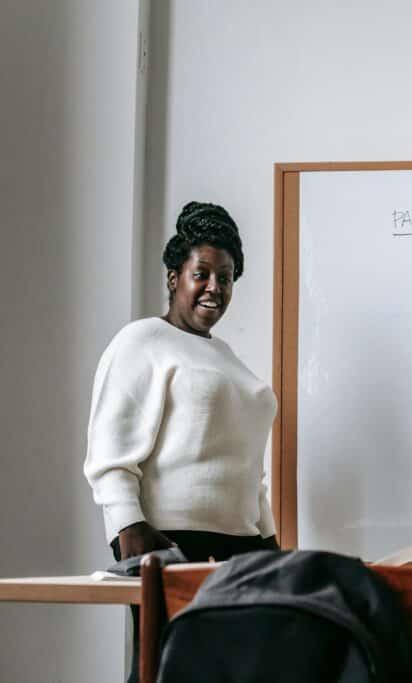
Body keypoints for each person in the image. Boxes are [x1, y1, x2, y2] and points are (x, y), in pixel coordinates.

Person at [84, 201, 278, 681]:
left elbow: (251, 470)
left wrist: (272, 541)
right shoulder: (142, 341)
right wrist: (127, 526)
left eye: (227, 277)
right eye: (202, 273)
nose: (215, 287)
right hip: (174, 543)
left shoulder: (228, 357)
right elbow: (109, 451)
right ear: (175, 277)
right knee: (171, 672)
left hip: (246, 547)